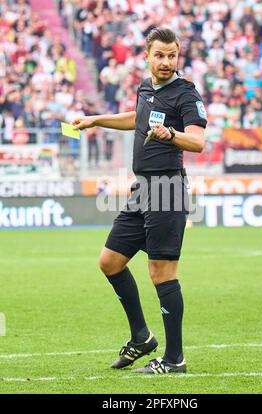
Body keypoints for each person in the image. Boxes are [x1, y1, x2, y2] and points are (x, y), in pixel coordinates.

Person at [72, 27, 207, 374]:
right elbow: (137, 119)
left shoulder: (186, 94)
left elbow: (197, 141)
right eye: (159, 55)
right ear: (146, 56)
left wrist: (171, 134)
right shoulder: (145, 88)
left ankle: (175, 359)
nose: (165, 61)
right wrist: (96, 120)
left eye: (172, 55)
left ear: (178, 56)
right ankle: (142, 338)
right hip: (142, 189)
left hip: (168, 189)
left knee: (161, 273)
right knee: (109, 262)